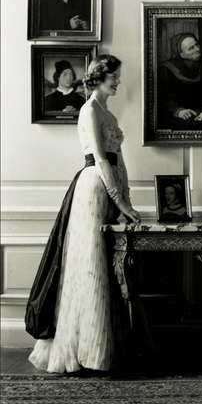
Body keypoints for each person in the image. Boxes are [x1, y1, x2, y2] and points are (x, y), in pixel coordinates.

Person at [26, 54, 141, 373]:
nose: (118, 81)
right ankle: (85, 351)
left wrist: (127, 200)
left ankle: (101, 348)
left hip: (110, 186)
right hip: (93, 187)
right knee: (90, 266)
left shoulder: (109, 112)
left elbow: (119, 161)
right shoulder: (89, 109)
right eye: (114, 76)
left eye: (118, 76)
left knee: (106, 264)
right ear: (99, 77)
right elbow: (102, 160)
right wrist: (120, 202)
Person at [158, 33, 202, 122]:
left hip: (201, 112)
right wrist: (177, 110)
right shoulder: (167, 69)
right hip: (180, 115)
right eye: (191, 48)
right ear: (183, 55)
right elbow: (163, 97)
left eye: (197, 44)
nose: (198, 49)